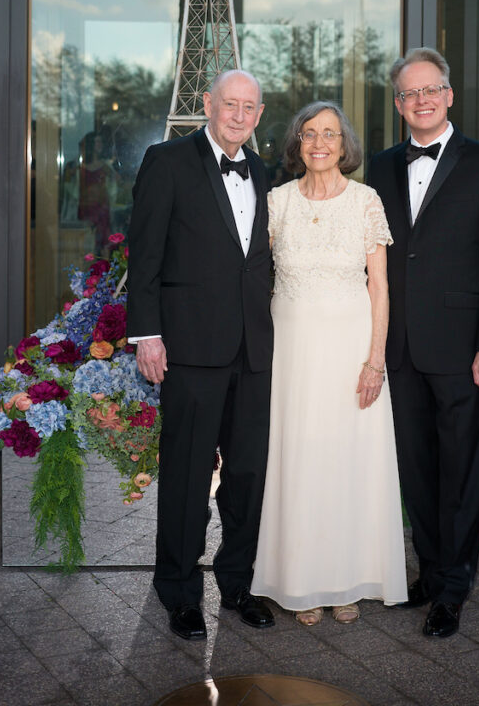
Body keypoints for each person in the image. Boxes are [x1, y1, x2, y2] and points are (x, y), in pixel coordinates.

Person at [368, 48, 479, 639]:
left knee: (460, 471)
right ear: (399, 103)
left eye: (431, 89)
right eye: (410, 93)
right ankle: (430, 573)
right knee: (416, 468)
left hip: (463, 348)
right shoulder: (381, 168)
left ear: (449, 95)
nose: (422, 100)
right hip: (400, 347)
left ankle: (455, 589)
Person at [127, 70, 275, 641]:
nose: (238, 115)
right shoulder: (166, 161)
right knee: (187, 475)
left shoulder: (262, 169)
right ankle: (180, 592)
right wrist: (148, 335)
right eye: (229, 104)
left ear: (259, 115)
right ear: (207, 105)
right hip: (188, 348)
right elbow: (145, 258)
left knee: (246, 474)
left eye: (249, 107)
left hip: (253, 351)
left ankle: (237, 584)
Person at [251, 102, 407, 625]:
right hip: (292, 356)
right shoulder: (275, 203)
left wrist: (375, 361)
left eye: (331, 135)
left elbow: (381, 288)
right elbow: (252, 279)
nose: (320, 143)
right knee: (299, 462)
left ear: (345, 145)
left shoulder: (366, 202)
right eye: (310, 134)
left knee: (347, 462)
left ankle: (345, 578)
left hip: (351, 353)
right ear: (297, 144)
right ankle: (300, 579)